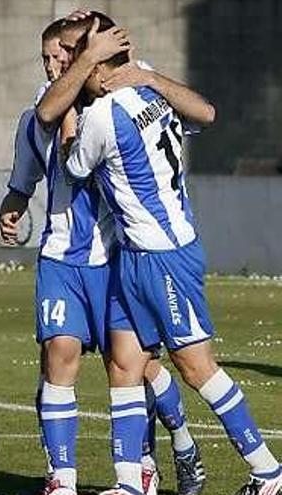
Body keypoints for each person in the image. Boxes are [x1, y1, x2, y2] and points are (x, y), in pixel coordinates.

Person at [63, 14, 282, 495]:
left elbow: (75, 166)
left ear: (96, 63)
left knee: (196, 366)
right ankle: (129, 483)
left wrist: (66, 107)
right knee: (124, 363)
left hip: (164, 255)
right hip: (137, 253)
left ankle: (268, 471)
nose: (69, 68)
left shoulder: (100, 115)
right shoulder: (146, 81)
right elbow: (205, 112)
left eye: (76, 58)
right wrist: (147, 74)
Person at [0, 13, 214, 495]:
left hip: (120, 256)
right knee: (60, 353)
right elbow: (29, 166)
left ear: (83, 56)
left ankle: (173, 445)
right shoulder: (40, 110)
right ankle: (63, 479)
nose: (52, 66)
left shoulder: (119, 96)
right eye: (46, 58)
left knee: (138, 367)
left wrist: (119, 64)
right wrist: (11, 208)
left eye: (61, 56)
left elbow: (193, 115)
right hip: (61, 258)